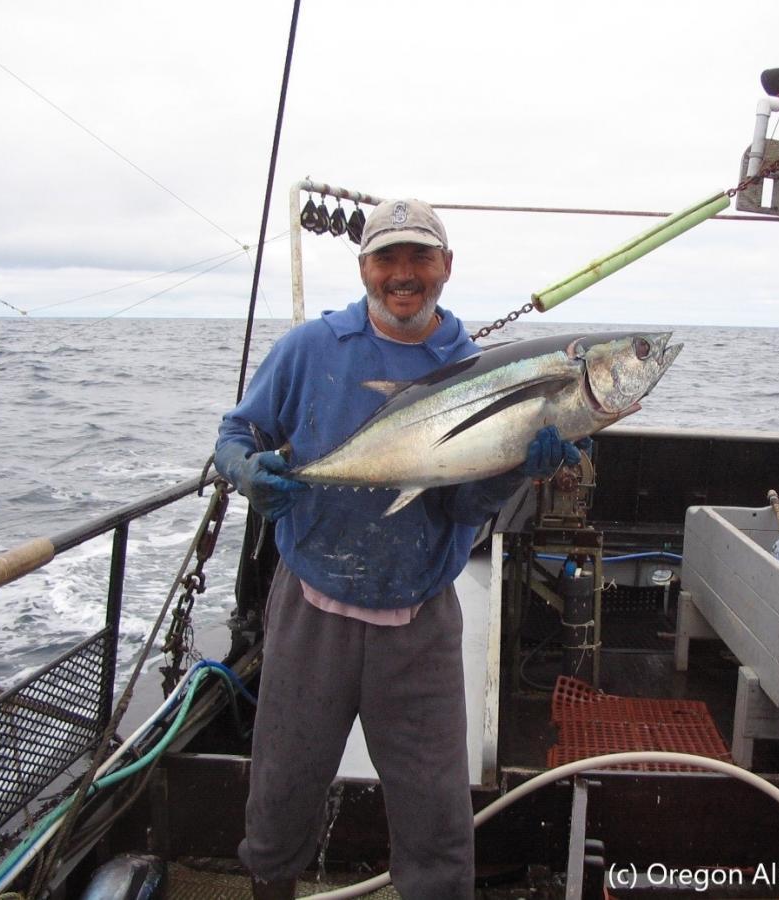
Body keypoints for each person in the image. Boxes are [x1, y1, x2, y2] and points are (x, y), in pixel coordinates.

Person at [214, 198, 580, 899]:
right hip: (311, 609)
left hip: (419, 622)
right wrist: (244, 473)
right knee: (280, 794)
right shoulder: (310, 349)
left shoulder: (471, 365)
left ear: (447, 267)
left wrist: (511, 469)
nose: (404, 274)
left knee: (438, 822)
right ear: (364, 269)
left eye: (421, 257)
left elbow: (461, 507)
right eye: (389, 258)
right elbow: (239, 431)